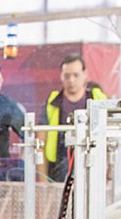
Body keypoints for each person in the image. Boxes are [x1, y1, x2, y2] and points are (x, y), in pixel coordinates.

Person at [42, 53, 105, 182]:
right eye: (67, 76)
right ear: (61, 76)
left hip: (93, 167)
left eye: (76, 75)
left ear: (85, 74)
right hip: (58, 170)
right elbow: (41, 140)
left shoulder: (98, 99)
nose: (71, 80)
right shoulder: (52, 102)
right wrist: (44, 181)